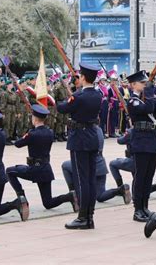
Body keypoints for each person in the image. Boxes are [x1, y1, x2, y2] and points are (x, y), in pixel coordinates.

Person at [6, 105, 78, 213]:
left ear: (34, 119)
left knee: (9, 171)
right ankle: (69, 196)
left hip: (34, 169)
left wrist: (28, 132)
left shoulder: (32, 134)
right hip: (46, 169)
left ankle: (21, 197)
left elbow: (17, 144)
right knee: (48, 203)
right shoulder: (49, 132)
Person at [57, 63, 102, 230]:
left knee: (81, 179)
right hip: (92, 137)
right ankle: (89, 215)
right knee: (90, 179)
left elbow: (63, 108)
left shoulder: (79, 96)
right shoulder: (97, 95)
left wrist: (58, 100)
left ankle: (83, 217)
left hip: (79, 139)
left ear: (83, 77)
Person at [127, 70, 156, 222]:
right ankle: (137, 209)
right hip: (141, 142)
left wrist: (153, 97)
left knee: (149, 176)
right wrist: (150, 95)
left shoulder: (148, 98)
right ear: (133, 85)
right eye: (142, 83)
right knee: (140, 176)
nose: (145, 85)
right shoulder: (133, 100)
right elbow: (148, 109)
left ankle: (145, 206)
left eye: (146, 83)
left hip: (152, 140)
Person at [61, 126, 132, 205]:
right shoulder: (99, 130)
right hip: (101, 166)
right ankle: (120, 190)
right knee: (100, 196)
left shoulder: (85, 131)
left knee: (65, 166)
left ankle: (74, 195)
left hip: (88, 164)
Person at [109, 128, 156, 198]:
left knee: (112, 164)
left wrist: (122, 135)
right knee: (141, 187)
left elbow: (120, 141)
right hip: (146, 160)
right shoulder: (151, 131)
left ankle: (121, 188)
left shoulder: (132, 131)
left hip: (133, 161)